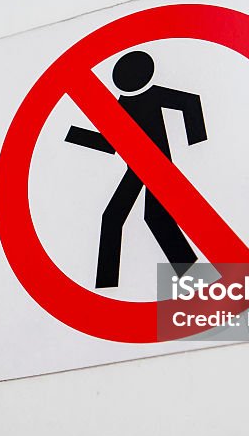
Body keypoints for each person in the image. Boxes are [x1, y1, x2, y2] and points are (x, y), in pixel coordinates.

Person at [65, 50, 207, 288]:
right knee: (120, 218)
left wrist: (196, 141)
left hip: (157, 165)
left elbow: (189, 102)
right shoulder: (121, 105)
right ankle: (107, 286)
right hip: (138, 167)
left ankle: (195, 281)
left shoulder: (153, 95)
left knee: (151, 217)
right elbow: (111, 143)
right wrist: (75, 135)